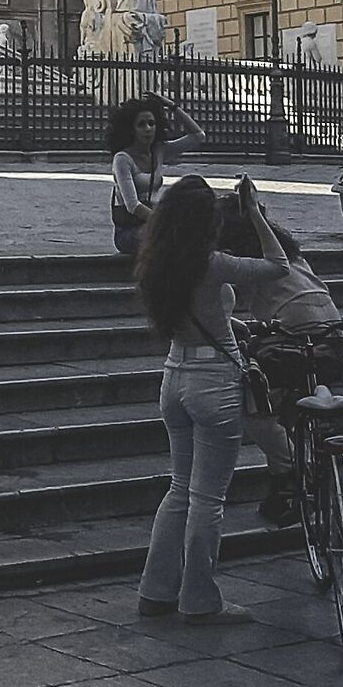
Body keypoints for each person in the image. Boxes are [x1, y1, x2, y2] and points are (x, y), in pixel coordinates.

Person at [133, 175, 281, 624]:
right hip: (214, 381)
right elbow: (279, 265)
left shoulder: (159, 262)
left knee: (179, 488)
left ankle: (156, 590)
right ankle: (199, 598)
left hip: (174, 375)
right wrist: (254, 212)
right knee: (207, 498)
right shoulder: (211, 263)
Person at [224, 177, 343, 526]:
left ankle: (288, 468)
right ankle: (312, 450)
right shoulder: (285, 245)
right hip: (331, 324)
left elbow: (232, 304)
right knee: (299, 386)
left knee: (255, 404)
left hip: (291, 327)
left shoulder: (245, 256)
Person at [107, 95, 204, 258]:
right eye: (141, 125)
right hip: (129, 231)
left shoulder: (159, 151)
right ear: (131, 129)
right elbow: (133, 205)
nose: (148, 129)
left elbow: (198, 136)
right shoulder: (122, 159)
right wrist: (165, 221)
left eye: (151, 123)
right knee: (171, 239)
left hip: (156, 222)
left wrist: (172, 106)